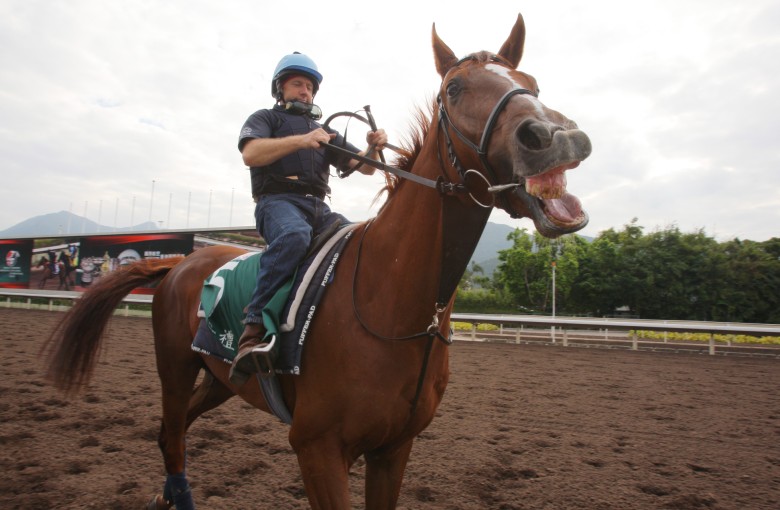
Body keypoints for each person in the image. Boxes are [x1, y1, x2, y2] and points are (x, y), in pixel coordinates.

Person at [229, 52, 387, 386]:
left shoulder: (324, 130)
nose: (305, 91)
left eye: (310, 87)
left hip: (319, 208)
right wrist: (302, 140)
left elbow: (368, 167)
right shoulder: (264, 119)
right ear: (280, 88)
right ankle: (253, 329)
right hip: (277, 202)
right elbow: (250, 154)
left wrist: (373, 148)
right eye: (298, 84)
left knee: (362, 239)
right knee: (294, 236)